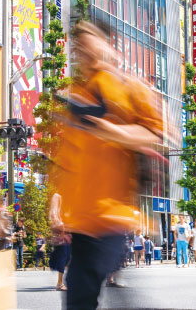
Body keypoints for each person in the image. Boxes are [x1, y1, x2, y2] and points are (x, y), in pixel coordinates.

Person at [49, 21, 163, 310]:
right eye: (76, 44)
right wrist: (57, 206)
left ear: (108, 44)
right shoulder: (75, 93)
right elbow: (66, 160)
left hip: (112, 214)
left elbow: (159, 133)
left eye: (87, 40)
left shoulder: (129, 87)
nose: (80, 49)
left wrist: (118, 133)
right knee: (82, 297)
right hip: (82, 220)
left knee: (87, 293)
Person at [48, 193, 71, 291]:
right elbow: (58, 226)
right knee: (63, 259)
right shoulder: (54, 213)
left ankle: (63, 282)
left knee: (66, 259)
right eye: (59, 200)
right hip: (61, 240)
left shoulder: (58, 212)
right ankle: (59, 284)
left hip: (64, 239)